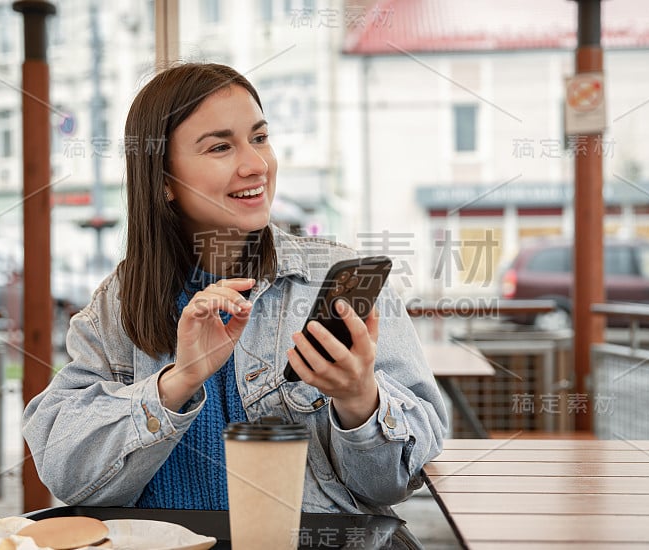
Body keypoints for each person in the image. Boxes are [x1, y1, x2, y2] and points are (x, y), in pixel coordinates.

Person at [22, 63, 448, 546]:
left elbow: (395, 481)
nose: (256, 164)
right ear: (163, 181)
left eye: (260, 138)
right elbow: (66, 472)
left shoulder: (330, 280)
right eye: (221, 146)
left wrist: (359, 400)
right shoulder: (116, 308)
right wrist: (178, 381)